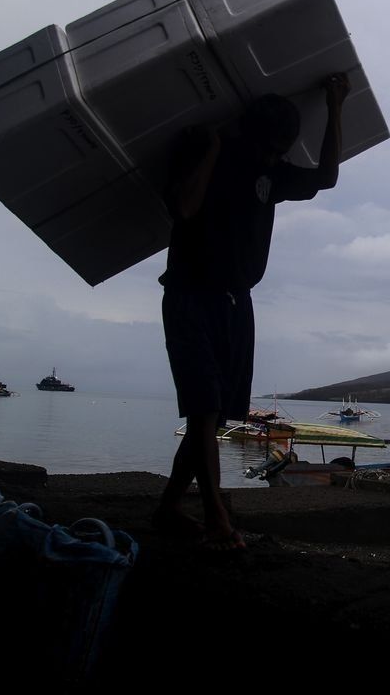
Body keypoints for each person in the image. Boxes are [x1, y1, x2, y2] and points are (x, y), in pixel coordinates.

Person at [153, 73, 352, 551]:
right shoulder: (208, 151)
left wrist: (335, 103)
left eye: (282, 150)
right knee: (202, 409)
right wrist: (212, 151)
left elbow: (325, 177)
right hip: (190, 295)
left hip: (237, 304)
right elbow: (183, 207)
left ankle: (168, 507)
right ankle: (217, 518)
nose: (275, 157)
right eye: (271, 148)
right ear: (249, 134)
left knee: (215, 416)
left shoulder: (273, 171)